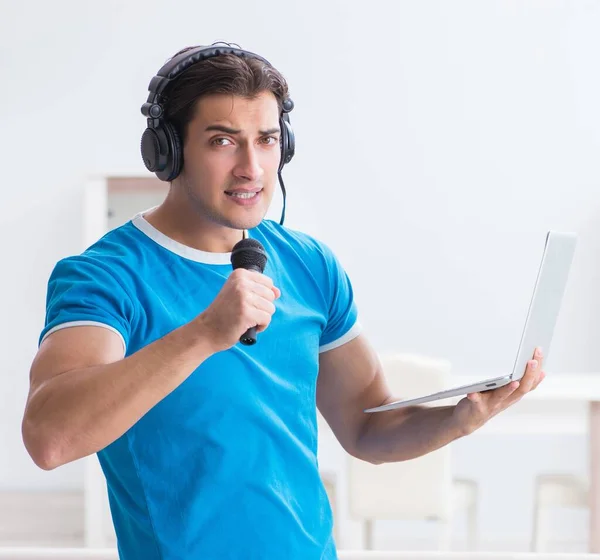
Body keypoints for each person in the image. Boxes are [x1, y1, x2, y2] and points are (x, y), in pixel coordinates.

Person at [21, 43, 545, 560]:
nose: (252, 168)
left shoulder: (309, 264)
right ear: (168, 152)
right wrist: (204, 334)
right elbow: (50, 439)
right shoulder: (105, 275)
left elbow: (367, 429)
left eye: (267, 140)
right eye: (223, 141)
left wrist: (459, 420)